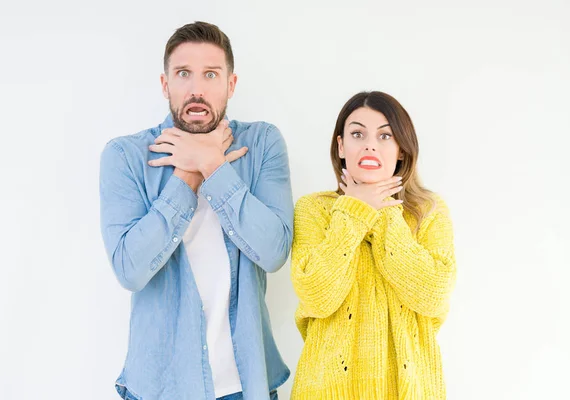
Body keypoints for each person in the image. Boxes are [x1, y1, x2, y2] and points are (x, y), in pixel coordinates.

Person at [99, 21, 292, 400]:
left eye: (211, 74)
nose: (196, 89)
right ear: (165, 83)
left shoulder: (263, 144)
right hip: (161, 387)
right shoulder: (125, 156)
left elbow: (274, 253)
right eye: (184, 74)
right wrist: (189, 172)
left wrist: (216, 168)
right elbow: (129, 270)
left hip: (245, 384)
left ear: (231, 84)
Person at [290, 91, 456, 399]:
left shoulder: (428, 211)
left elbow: (433, 293)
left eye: (385, 136)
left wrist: (383, 208)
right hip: (327, 390)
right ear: (341, 146)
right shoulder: (313, 209)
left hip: (409, 389)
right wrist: (354, 209)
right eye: (357, 134)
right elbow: (317, 294)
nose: (369, 145)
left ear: (401, 151)